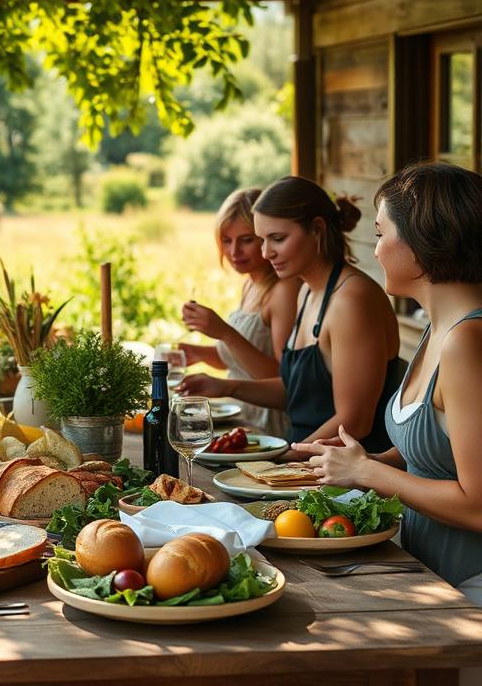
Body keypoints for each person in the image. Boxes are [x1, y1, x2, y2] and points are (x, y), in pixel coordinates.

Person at [293, 162, 482, 604]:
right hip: (426, 574)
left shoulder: (467, 343)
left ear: (422, 240)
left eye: (381, 234)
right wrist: (364, 460)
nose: (375, 251)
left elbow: (477, 504)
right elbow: (442, 449)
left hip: (470, 591)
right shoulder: (441, 330)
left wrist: (368, 472)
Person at [178, 176, 403, 453]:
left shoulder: (351, 299)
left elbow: (355, 422)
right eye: (262, 240)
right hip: (302, 458)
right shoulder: (307, 292)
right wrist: (227, 387)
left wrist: (282, 459)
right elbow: (297, 393)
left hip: (343, 477)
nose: (266, 252)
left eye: (278, 239)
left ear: (317, 229)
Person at [178, 188, 299, 438]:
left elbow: (281, 378)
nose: (234, 252)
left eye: (246, 240)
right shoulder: (251, 283)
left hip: (268, 428)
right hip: (240, 421)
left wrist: (224, 332)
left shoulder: (283, 291)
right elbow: (242, 359)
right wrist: (198, 353)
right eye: (226, 240)